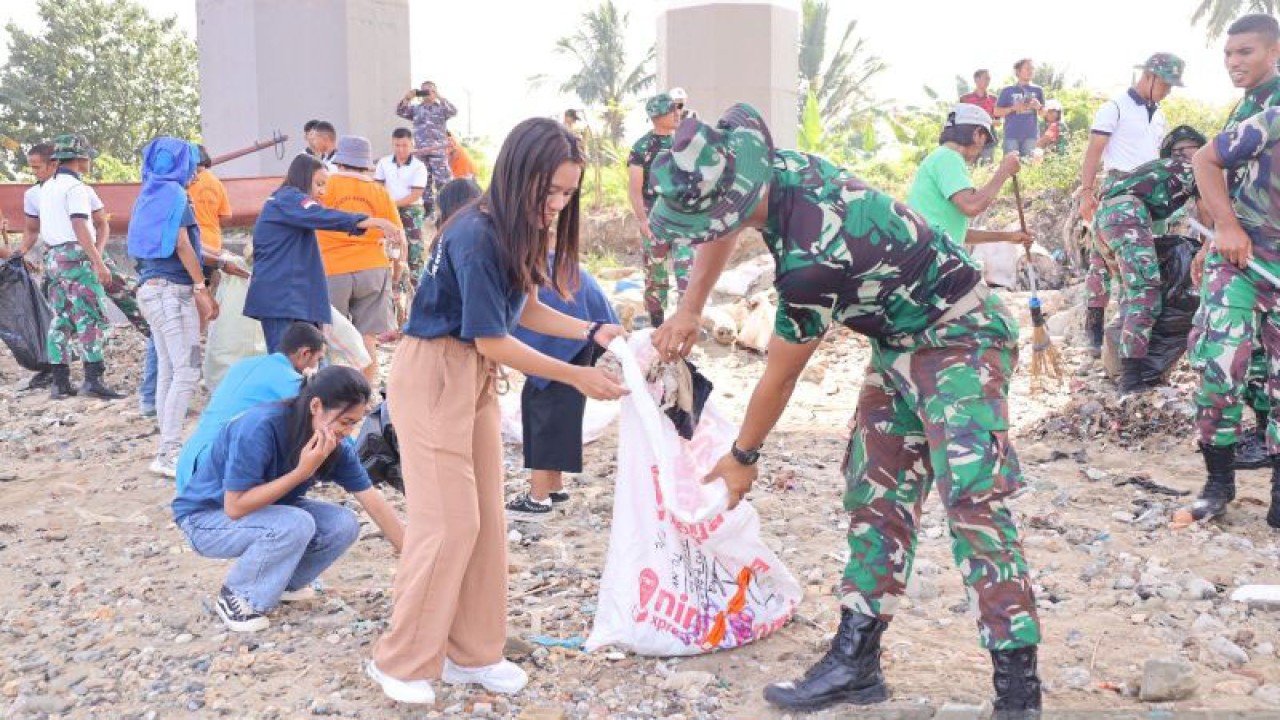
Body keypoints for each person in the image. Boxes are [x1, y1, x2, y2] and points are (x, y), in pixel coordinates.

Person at [648, 104, 1041, 716]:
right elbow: (722, 222)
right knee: (875, 494)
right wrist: (690, 307)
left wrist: (742, 457)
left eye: (702, 220)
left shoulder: (813, 259)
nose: (701, 232)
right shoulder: (770, 169)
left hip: (963, 336)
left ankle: (1018, 685)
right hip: (897, 343)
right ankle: (857, 661)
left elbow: (780, 377)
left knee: (971, 501)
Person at [367, 117, 627, 705]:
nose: (558, 204)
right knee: (448, 522)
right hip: (435, 370)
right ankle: (399, 659)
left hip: (473, 376)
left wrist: (595, 329)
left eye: (568, 194)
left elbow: (524, 309)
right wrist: (578, 374)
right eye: (551, 191)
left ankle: (473, 652)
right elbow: (492, 338)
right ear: (519, 174)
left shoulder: (517, 228)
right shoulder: (475, 235)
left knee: (485, 517)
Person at [172, 365, 405, 632]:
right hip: (206, 519)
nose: (349, 432)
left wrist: (412, 560)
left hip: (266, 513)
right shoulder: (260, 426)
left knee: (343, 523)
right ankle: (239, 596)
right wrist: (302, 472)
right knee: (296, 522)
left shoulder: (335, 445)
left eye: (354, 423)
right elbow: (234, 507)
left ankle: (283, 584)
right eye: (345, 422)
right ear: (316, 406)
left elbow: (372, 500)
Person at [1191, 14, 1280, 472]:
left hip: (1271, 257)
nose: (1233, 61)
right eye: (1228, 53)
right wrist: (1219, 233)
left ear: (1274, 52)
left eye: (1245, 51)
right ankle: (1220, 479)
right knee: (1222, 361)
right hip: (1241, 256)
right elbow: (1219, 171)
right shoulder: (1246, 108)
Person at [1078, 53, 1183, 356]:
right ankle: (1093, 330)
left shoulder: (1160, 115)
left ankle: (1125, 339)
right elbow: (1094, 150)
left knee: (1139, 269)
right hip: (1117, 192)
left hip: (1149, 196)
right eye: (1166, 83)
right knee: (1101, 263)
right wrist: (1086, 192)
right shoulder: (1115, 108)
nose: (1168, 91)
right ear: (1149, 76)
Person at [128, 138, 220, 478]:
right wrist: (201, 288)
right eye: (192, 164)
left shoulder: (148, 196)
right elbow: (182, 243)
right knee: (187, 371)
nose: (196, 171)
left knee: (169, 368)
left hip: (150, 290)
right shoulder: (178, 196)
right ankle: (168, 452)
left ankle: (165, 447)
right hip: (171, 292)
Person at [245, 154, 401, 354]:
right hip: (283, 297)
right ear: (303, 177)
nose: (322, 192)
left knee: (308, 358)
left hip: (294, 295)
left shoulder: (284, 202)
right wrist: (374, 222)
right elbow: (324, 216)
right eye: (319, 184)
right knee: (285, 359)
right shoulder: (289, 199)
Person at [507, 249, 621, 521]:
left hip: (567, 318)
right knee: (560, 404)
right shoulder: (517, 248)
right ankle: (554, 486)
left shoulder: (498, 255)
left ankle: (538, 497)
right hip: (585, 317)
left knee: (542, 407)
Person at [1092, 126, 1205, 395]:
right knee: (1145, 292)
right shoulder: (1195, 168)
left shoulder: (1158, 168)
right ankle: (1131, 380)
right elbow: (1207, 216)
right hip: (1127, 214)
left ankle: (1114, 359)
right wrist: (1205, 251)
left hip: (1104, 217)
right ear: (1193, 151)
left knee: (1132, 294)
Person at [176, 321, 327, 490]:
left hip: (187, 463)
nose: (317, 366)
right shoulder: (291, 381)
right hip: (218, 468)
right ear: (305, 353)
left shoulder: (242, 365)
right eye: (318, 359)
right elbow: (327, 423)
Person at [30, 134, 125, 400]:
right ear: (81, 158)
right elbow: (80, 225)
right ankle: (93, 380)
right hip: (76, 256)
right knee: (91, 317)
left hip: (53, 258)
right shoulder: (75, 189)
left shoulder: (47, 187)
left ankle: (60, 383)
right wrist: (97, 261)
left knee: (61, 318)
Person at [316, 136, 406, 385]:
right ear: (366, 164)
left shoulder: (325, 186)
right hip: (373, 268)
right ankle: (364, 394)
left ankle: (331, 394)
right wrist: (397, 273)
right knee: (368, 338)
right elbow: (399, 237)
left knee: (329, 336)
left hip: (331, 269)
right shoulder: (379, 192)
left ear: (340, 160)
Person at [907, 104, 1031, 250]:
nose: (981, 150)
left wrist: (1009, 236)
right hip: (929, 258)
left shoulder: (940, 158)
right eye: (985, 142)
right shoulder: (948, 158)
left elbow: (960, 234)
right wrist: (1004, 171)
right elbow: (971, 206)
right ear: (978, 135)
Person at [628, 93, 690, 327]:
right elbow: (634, 190)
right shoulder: (642, 147)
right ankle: (657, 324)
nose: (677, 114)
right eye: (671, 110)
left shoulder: (684, 142)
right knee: (655, 275)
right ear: (657, 116)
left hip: (682, 217)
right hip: (654, 216)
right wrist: (643, 221)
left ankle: (685, 324)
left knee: (687, 272)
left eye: (678, 109)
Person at [18, 142, 57, 391]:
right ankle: (52, 368)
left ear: (54, 164)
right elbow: (32, 231)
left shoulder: (74, 188)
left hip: (87, 256)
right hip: (53, 258)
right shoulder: (33, 195)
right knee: (49, 314)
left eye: (38, 167)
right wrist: (19, 254)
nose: (35, 172)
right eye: (31, 168)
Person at [396, 80, 456, 219]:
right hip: (421, 152)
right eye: (424, 90)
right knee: (425, 182)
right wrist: (407, 98)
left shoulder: (441, 108)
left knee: (443, 181)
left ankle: (447, 209)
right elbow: (400, 111)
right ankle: (429, 210)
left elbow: (453, 111)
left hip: (438, 151)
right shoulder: (416, 109)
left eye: (430, 90)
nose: (427, 93)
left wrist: (440, 97)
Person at [994, 59, 1045, 157]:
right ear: (1018, 71)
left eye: (1032, 68)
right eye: (1027, 68)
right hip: (1011, 136)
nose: (1031, 71)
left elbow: (1044, 114)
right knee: (1010, 167)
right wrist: (1013, 108)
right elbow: (996, 112)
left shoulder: (1038, 90)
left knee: (1029, 168)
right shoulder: (1007, 90)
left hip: (1031, 136)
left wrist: (1039, 107)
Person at [960, 69, 998, 164]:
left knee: (988, 168)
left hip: (989, 138)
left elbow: (999, 121)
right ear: (976, 80)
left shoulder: (994, 99)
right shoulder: (965, 99)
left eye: (989, 79)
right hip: (970, 139)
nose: (988, 81)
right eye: (985, 78)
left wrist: (985, 121)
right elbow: (960, 120)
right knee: (969, 168)